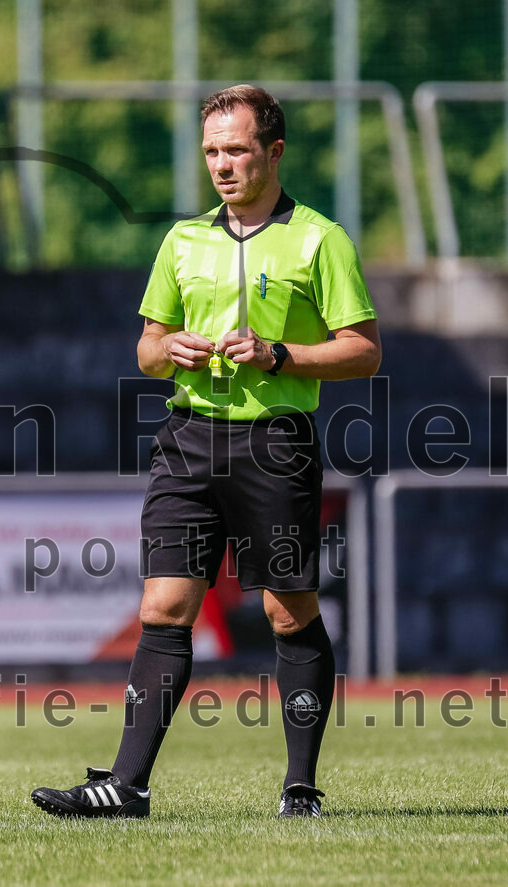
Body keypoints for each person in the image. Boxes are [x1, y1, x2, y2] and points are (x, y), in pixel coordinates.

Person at [32, 84, 381, 820]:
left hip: (275, 443)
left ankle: (301, 788)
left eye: (236, 150)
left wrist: (280, 353)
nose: (221, 165)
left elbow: (363, 352)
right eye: (212, 151)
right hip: (189, 439)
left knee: (289, 613)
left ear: (274, 151)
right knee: (163, 605)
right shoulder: (181, 242)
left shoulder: (320, 239)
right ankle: (126, 786)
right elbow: (147, 347)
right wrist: (171, 350)